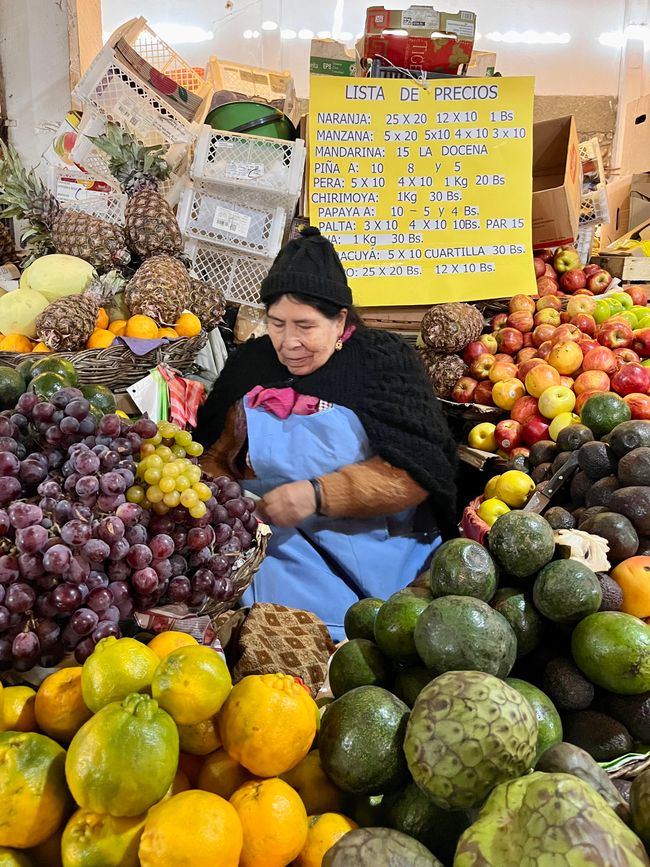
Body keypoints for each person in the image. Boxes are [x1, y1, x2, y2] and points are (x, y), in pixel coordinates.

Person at [194, 227, 458, 640]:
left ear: (340, 320)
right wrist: (226, 499)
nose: (289, 343)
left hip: (379, 567)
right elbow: (214, 454)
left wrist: (317, 494)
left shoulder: (383, 361)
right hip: (276, 564)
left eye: (305, 325)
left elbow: (419, 471)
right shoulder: (252, 362)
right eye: (277, 323)